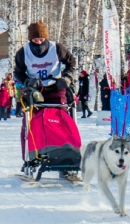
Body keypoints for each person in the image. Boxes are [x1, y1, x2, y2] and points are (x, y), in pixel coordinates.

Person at [14, 20, 76, 176]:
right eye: (35, 39)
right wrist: (27, 81)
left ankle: (66, 158)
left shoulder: (57, 48)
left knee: (60, 121)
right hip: (35, 90)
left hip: (56, 88)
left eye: (41, 39)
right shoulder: (23, 52)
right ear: (30, 39)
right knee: (31, 123)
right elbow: (18, 73)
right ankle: (30, 158)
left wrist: (67, 78)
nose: (39, 42)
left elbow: (71, 62)